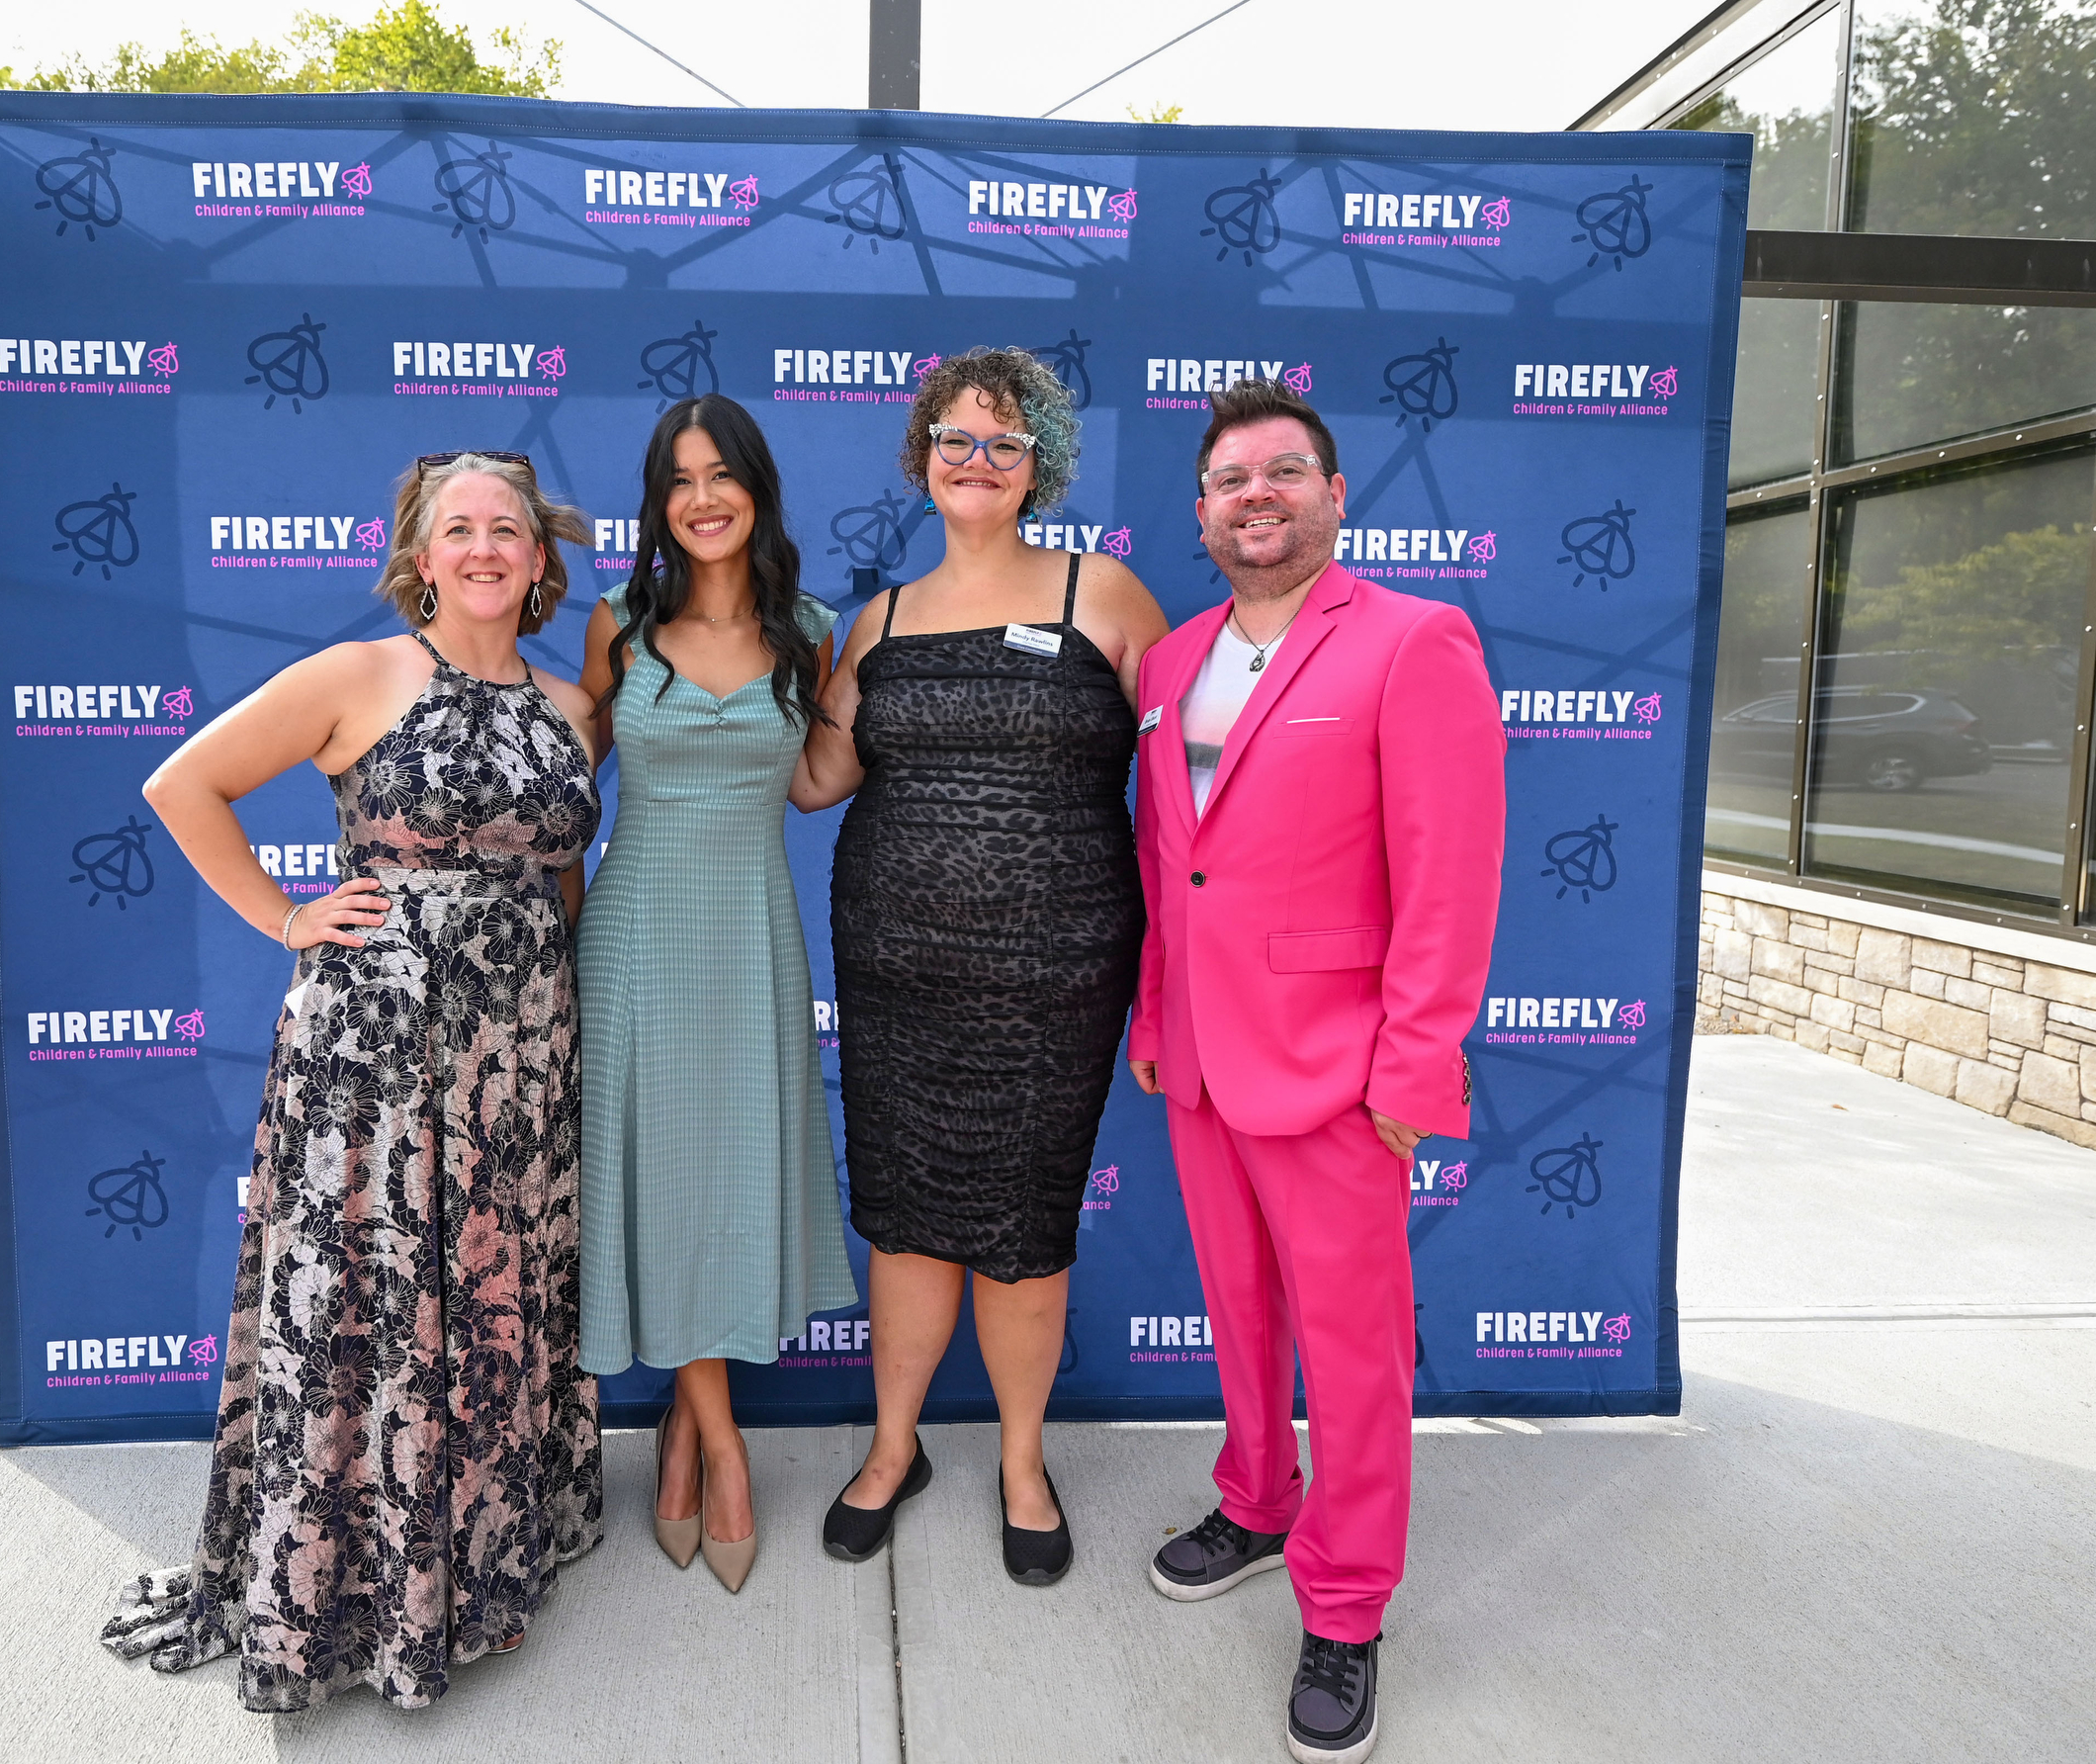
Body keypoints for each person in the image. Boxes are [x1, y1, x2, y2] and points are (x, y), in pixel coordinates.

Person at [98, 451, 605, 1712]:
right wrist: (286, 917)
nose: (483, 546)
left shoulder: (570, 704)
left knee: (491, 1295)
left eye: (507, 528)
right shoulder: (357, 675)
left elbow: (560, 874)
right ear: (422, 558)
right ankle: (365, 1587)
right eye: (458, 528)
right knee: (372, 1301)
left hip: (518, 1053)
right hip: (377, 1052)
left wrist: (551, 1003)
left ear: (540, 560)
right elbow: (181, 782)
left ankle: (480, 1561)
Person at [1127, 379, 1504, 1763]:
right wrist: (1157, 1016)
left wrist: (1414, 1068)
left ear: (1334, 495)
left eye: (1283, 472)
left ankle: (1345, 1606)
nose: (1257, 496)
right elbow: (1174, 865)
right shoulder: (1170, 663)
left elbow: (1450, 876)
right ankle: (1256, 1497)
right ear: (1202, 513)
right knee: (1240, 1314)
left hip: (1341, 1071)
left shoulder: (1414, 640)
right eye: (1231, 480)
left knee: (1351, 1351)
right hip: (1203, 1060)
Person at [801, 347, 1169, 1586]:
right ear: (922, 457)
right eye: (954, 438)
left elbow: (1189, 784)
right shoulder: (878, 619)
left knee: (1025, 1222)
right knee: (905, 1217)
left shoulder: (1100, 590)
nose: (976, 459)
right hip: (893, 971)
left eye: (1004, 442)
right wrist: (710, 681)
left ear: (1038, 466)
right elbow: (816, 777)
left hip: (1054, 979)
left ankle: (1021, 1461)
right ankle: (892, 1447)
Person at [574, 395, 857, 1593]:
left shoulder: (814, 630)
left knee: (728, 1177)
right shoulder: (618, 624)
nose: (702, 497)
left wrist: (899, 678)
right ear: (658, 501)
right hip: (633, 937)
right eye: (679, 479)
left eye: (721, 474)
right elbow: (562, 789)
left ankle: (685, 1433)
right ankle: (724, 1444)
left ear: (756, 489)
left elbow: (814, 781)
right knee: (660, 1180)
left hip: (752, 938)